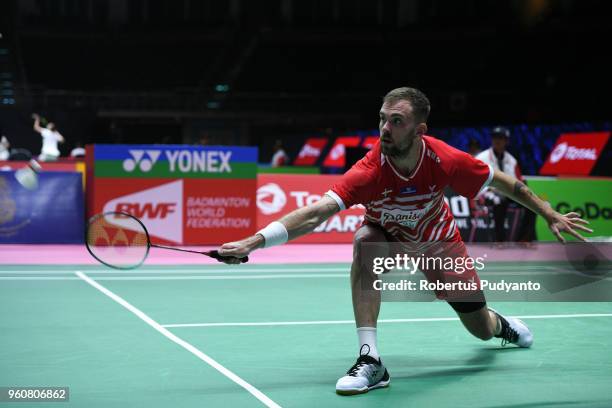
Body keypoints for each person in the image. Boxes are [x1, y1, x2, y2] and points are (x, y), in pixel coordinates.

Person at [217, 87, 592, 395]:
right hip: (389, 239)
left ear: (419, 130)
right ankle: (371, 360)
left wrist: (547, 212)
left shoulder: (445, 160)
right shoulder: (369, 169)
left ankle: (501, 325)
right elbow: (317, 212)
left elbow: (503, 182)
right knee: (364, 240)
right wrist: (254, 242)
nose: (384, 128)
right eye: (382, 118)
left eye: (396, 122)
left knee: (479, 329)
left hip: (439, 243)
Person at [476, 127, 536, 245]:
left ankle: (523, 239)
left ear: (506, 141)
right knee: (499, 200)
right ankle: (500, 239)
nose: (497, 140)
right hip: (487, 193)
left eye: (501, 138)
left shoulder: (512, 160)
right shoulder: (481, 158)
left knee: (531, 205)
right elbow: (476, 181)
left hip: (509, 193)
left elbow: (518, 181)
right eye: (495, 138)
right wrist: (493, 190)